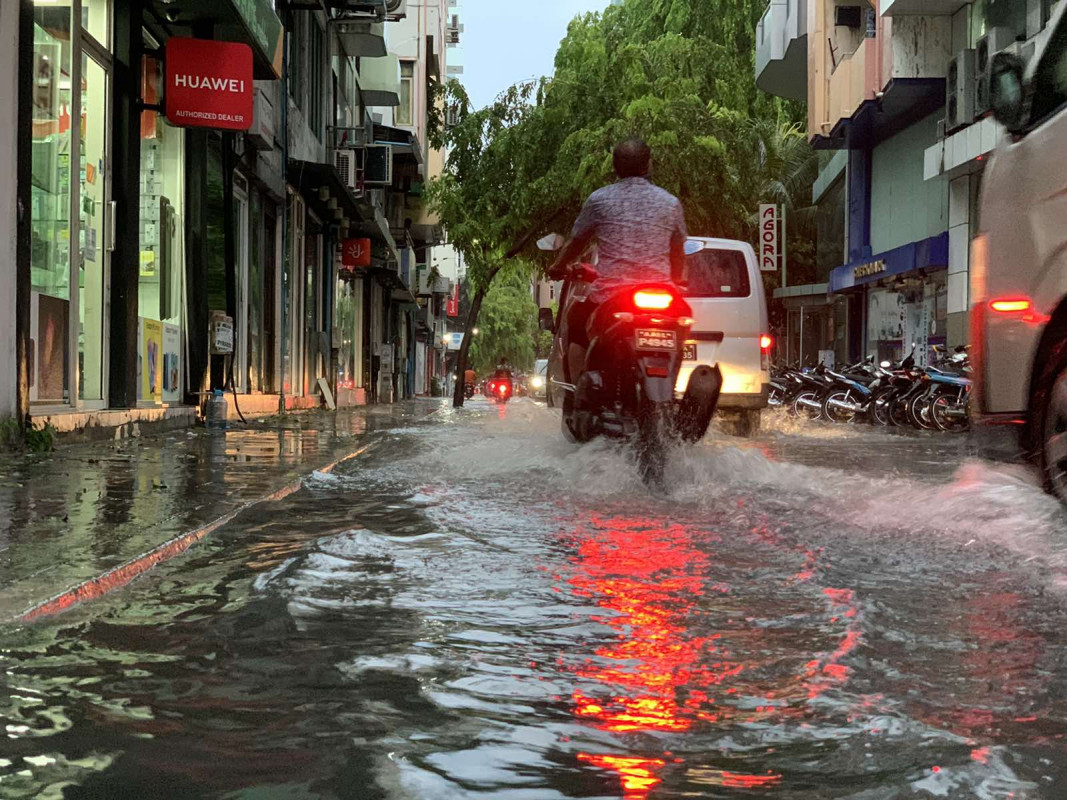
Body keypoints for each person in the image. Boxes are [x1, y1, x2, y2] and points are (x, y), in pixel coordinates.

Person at [548, 137, 688, 379]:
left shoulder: (599, 200)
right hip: (664, 294)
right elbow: (678, 250)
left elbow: (576, 242)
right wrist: (675, 280)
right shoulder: (671, 203)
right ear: (649, 165)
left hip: (611, 296)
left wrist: (558, 266)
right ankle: (673, 379)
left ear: (614, 167)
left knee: (577, 320)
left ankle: (582, 395)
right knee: (684, 322)